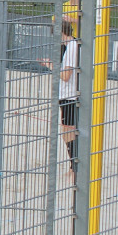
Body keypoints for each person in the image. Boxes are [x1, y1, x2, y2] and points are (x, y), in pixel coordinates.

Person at [42, 18, 79, 175]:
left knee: (69, 133)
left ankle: (75, 167)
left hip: (69, 96)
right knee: (68, 132)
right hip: (67, 95)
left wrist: (50, 66)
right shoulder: (71, 46)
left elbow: (65, 76)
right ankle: (74, 166)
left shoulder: (71, 47)